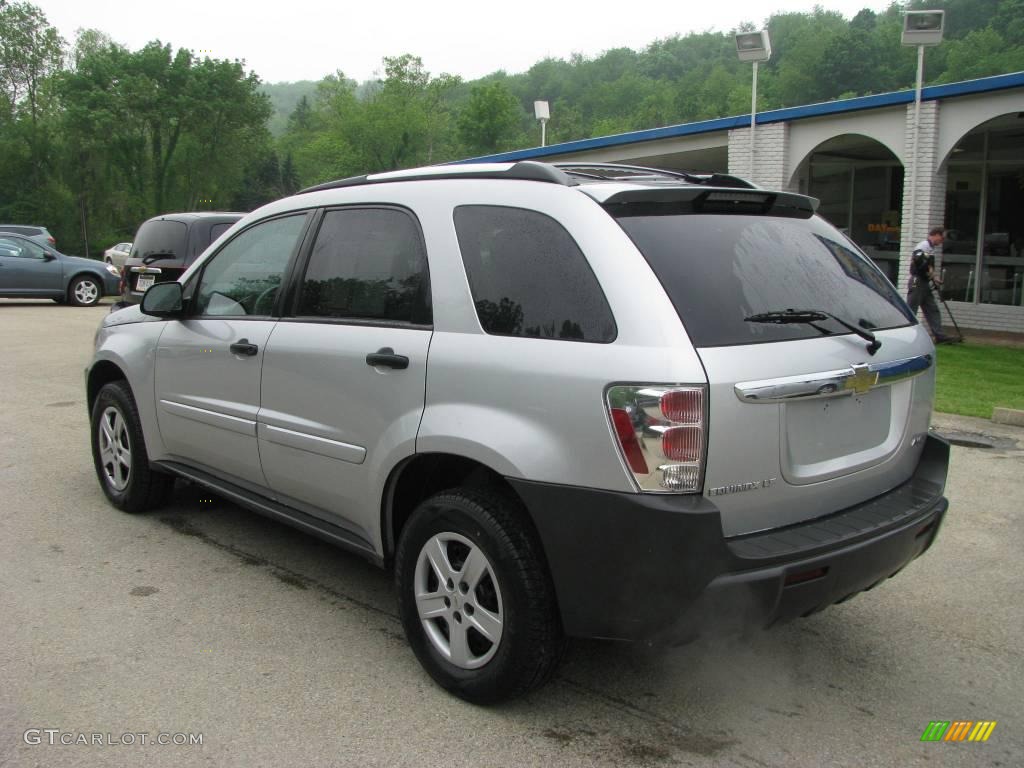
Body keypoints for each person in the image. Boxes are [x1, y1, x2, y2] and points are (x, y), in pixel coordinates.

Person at [907, 226, 951, 343]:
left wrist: (934, 277)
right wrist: (929, 274)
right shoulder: (923, 246)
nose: (942, 241)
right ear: (936, 234)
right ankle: (907, 333)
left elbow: (928, 267)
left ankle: (939, 335)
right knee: (912, 308)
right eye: (942, 237)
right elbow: (918, 262)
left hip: (925, 282)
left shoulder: (931, 248)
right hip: (918, 281)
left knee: (932, 309)